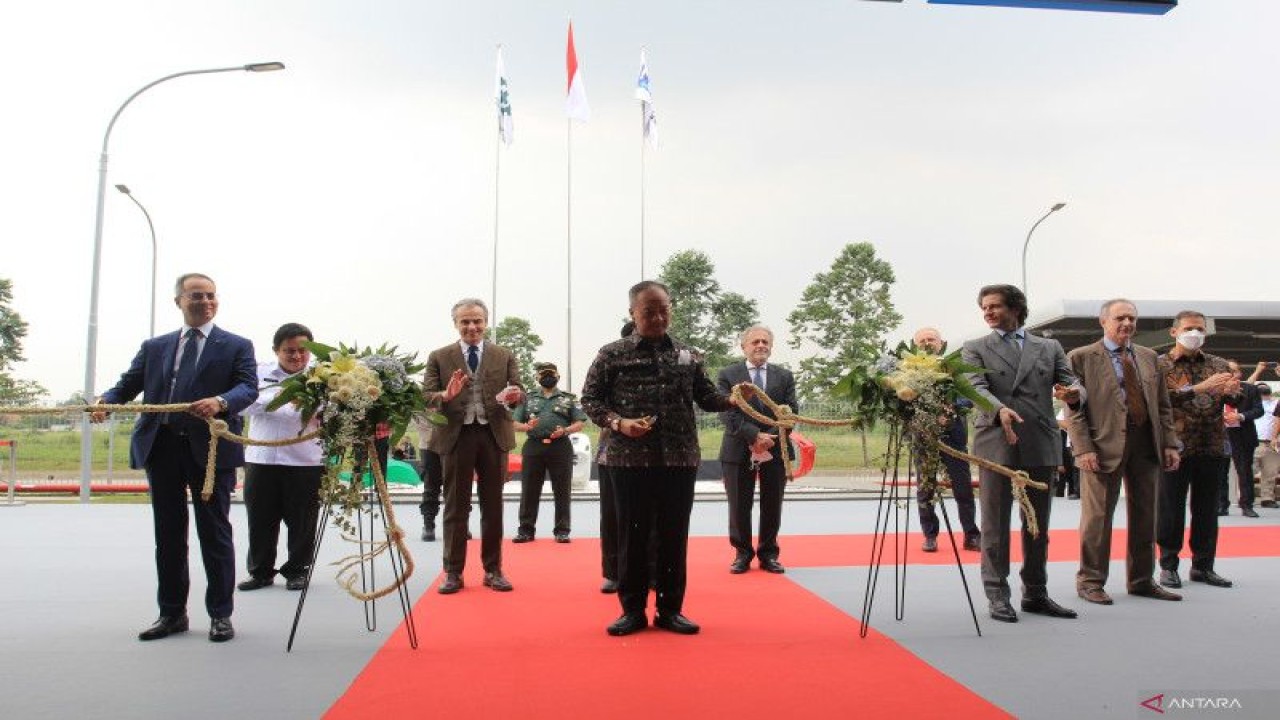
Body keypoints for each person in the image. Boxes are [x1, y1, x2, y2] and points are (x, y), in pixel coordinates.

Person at [92, 273, 258, 643]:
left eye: (211, 295)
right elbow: (128, 384)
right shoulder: (156, 347)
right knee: (168, 534)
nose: (205, 301)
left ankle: (220, 615)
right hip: (161, 447)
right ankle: (171, 614)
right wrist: (106, 401)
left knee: (214, 532)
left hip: (211, 451)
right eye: (196, 295)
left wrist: (220, 402)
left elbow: (247, 387)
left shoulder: (237, 345)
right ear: (179, 301)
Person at [581, 280, 735, 636]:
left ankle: (670, 609)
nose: (658, 317)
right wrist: (619, 423)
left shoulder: (688, 354)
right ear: (633, 313)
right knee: (631, 537)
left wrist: (731, 399)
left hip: (678, 459)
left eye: (664, 309)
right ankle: (632, 610)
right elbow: (590, 399)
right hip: (628, 461)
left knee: (673, 535)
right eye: (649, 311)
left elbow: (706, 396)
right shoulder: (612, 354)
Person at [962, 283, 1082, 624]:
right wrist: (999, 409)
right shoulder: (975, 349)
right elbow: (974, 386)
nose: (987, 312)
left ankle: (1036, 592)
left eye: (995, 306)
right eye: (984, 307)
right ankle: (997, 594)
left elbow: (1071, 384)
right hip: (995, 443)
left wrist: (1073, 395)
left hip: (1039, 441)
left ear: (1015, 308)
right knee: (995, 524)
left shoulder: (1050, 346)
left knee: (1037, 525)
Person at [1063, 300, 1182, 605]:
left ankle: (1142, 579)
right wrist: (1083, 449)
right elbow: (1073, 410)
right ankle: (1090, 581)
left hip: (1146, 443)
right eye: (1120, 317)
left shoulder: (1148, 357)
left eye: (1132, 317)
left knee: (1146, 515)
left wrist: (1169, 443)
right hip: (1102, 446)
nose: (1127, 323)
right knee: (1098, 518)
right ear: (1103, 321)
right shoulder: (1080, 358)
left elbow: (1163, 405)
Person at [422, 298, 524, 594]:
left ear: (486, 322)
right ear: (455, 323)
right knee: (455, 506)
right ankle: (453, 572)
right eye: (465, 321)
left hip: (494, 435)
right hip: (457, 436)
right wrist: (445, 393)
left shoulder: (504, 355)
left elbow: (520, 392)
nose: (472, 327)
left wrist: (515, 396)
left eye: (477, 321)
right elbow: (426, 395)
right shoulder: (439, 356)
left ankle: (493, 570)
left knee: (493, 506)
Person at [237, 323, 323, 593]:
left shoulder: (324, 377)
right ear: (276, 350)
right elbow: (244, 404)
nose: (296, 356)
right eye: (289, 351)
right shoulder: (258, 374)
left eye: (302, 351)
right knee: (260, 518)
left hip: (305, 460)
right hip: (262, 458)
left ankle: (298, 570)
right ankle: (260, 571)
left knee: (303, 520)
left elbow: (329, 410)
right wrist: (282, 399)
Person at [1156, 311, 1240, 590]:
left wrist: (1232, 390)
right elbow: (1157, 402)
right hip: (1174, 448)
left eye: (1200, 329)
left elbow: (1233, 398)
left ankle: (1203, 566)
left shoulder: (1218, 363)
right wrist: (1197, 388)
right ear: (1174, 331)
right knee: (1171, 510)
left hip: (1211, 446)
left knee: (1207, 510)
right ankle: (1168, 566)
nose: (1195, 334)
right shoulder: (1160, 365)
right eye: (1190, 328)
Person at [717, 325, 797, 573]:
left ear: (771, 347)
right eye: (755, 342)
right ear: (744, 347)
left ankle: (768, 553)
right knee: (739, 505)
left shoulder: (784, 376)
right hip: (738, 449)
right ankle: (742, 553)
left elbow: (790, 412)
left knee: (773, 503)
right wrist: (753, 436)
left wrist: (770, 437)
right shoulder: (729, 374)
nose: (761, 345)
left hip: (775, 448)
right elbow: (725, 411)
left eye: (765, 342)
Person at [912, 327, 980, 554]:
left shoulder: (955, 368)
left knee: (963, 488)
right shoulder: (907, 371)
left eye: (931, 339)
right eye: (922, 341)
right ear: (915, 345)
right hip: (923, 438)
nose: (927, 343)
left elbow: (969, 397)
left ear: (942, 343)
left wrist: (951, 411)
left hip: (953, 438)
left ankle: (971, 534)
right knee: (925, 489)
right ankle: (929, 535)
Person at [512, 362, 587, 543]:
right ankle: (526, 530)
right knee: (529, 490)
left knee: (562, 490)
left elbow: (580, 422)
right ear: (537, 378)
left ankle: (562, 531)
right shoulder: (526, 398)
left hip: (560, 446)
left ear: (558, 376)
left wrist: (566, 431)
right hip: (534, 446)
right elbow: (513, 423)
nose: (547, 377)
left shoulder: (569, 398)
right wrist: (526, 426)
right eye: (543, 374)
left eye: (551, 374)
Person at [1222, 360, 1263, 518]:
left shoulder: (1251, 389)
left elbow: (1258, 410)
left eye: (1233, 371)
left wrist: (1240, 416)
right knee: (1220, 472)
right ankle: (1221, 505)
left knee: (1244, 471)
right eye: (1227, 371)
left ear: (1239, 373)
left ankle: (1247, 505)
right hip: (1221, 436)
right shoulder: (1216, 389)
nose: (1231, 374)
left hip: (1243, 435)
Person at [413, 414, 446, 541]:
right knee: (431, 487)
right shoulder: (419, 396)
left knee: (457, 487)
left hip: (454, 445)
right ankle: (428, 525)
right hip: (428, 446)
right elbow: (416, 416)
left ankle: (461, 524)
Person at [1255, 383, 1279, 509]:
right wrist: (1258, 371)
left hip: (1270, 443)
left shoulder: (1276, 403)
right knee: (1246, 471)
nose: (1264, 391)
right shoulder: (1249, 403)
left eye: (1266, 389)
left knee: (1270, 472)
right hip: (1253, 442)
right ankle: (1245, 498)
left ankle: (1267, 498)